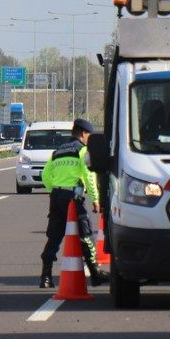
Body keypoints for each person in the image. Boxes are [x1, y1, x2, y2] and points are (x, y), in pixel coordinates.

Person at [39, 118, 106, 289]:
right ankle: (96, 273)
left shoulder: (57, 152)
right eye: (89, 135)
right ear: (84, 133)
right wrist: (96, 199)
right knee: (85, 234)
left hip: (56, 197)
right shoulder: (82, 151)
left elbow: (45, 175)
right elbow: (89, 175)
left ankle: (46, 277)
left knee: (54, 236)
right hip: (73, 198)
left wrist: (52, 190)